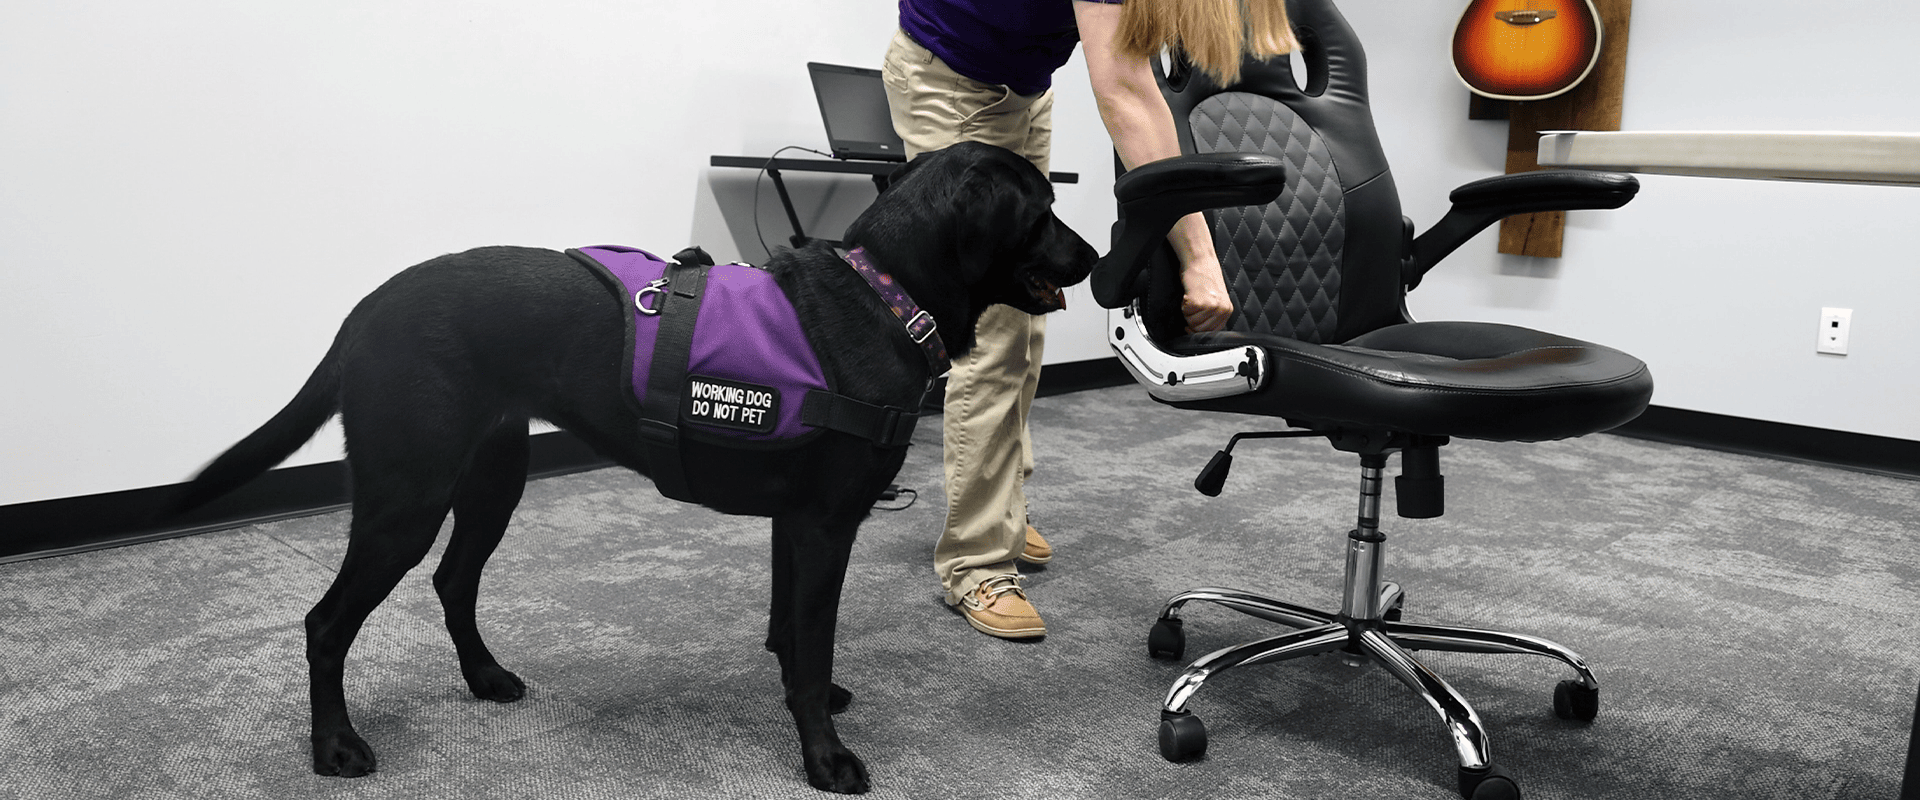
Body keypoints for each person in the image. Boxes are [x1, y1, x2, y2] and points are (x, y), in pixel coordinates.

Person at [882, 0, 1298, 640]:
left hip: (1023, 90)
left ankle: (1003, 510)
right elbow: (1129, 96)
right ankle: (976, 562)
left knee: (1030, 306)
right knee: (995, 333)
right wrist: (1200, 257)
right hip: (950, 79)